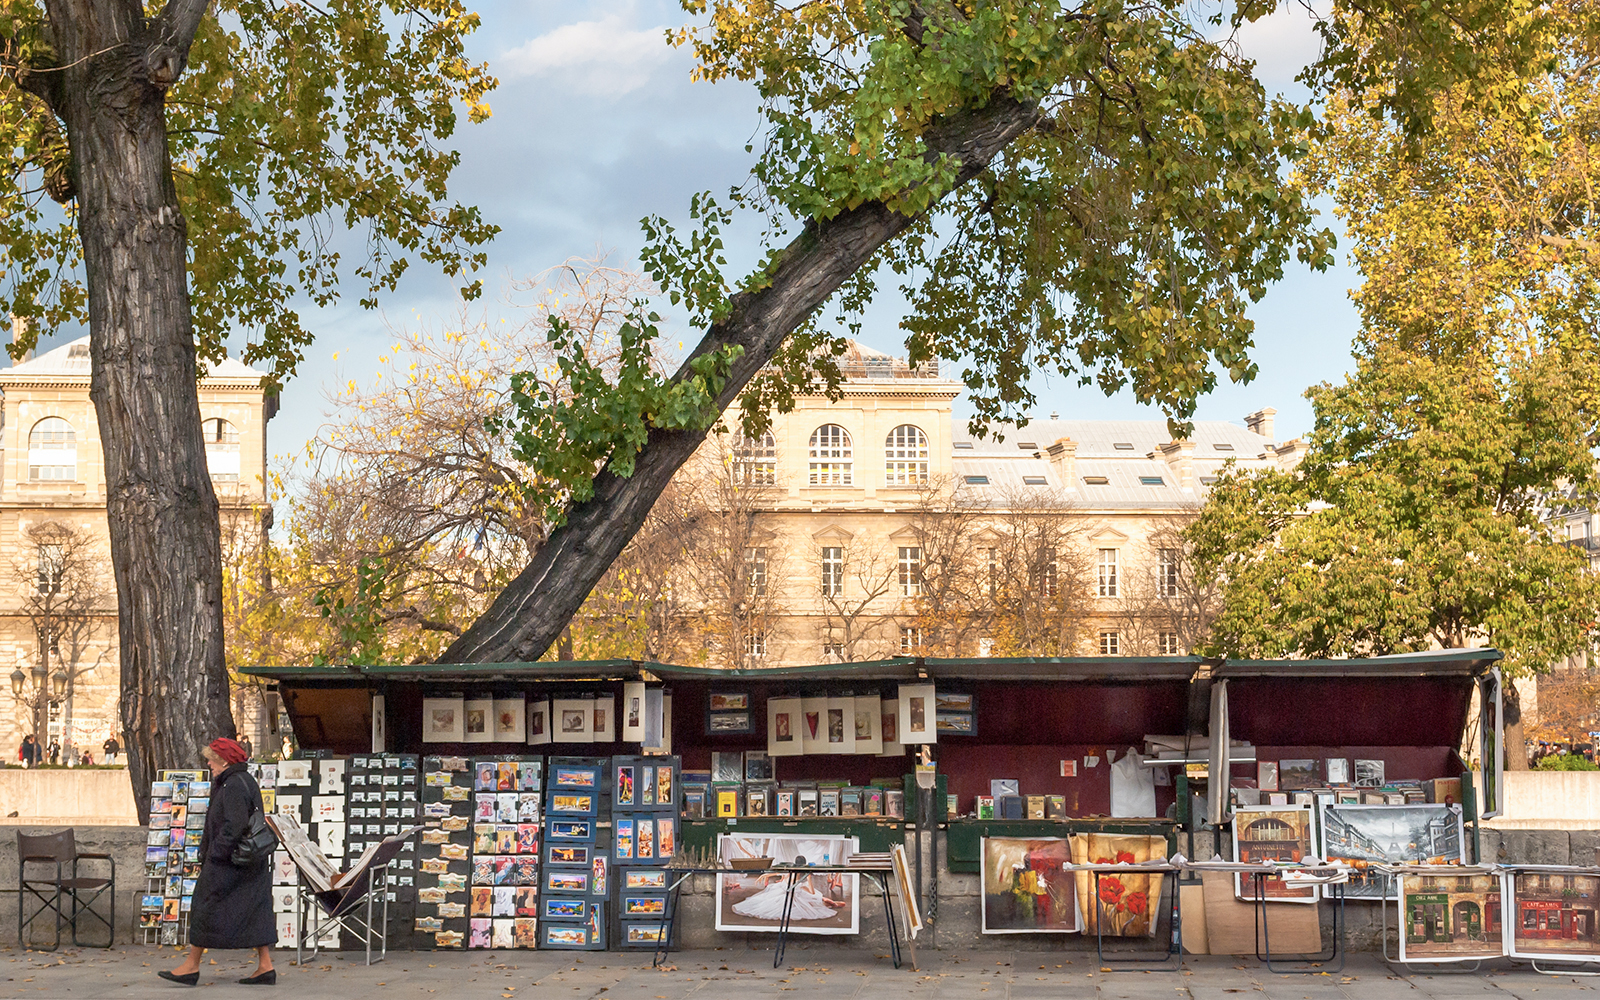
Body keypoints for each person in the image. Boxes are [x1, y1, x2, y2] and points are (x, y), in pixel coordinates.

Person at [159, 738, 276, 987]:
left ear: (224, 760)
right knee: (255, 910)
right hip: (248, 862)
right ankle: (265, 966)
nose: (209, 763)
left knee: (204, 905)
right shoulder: (245, 780)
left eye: (212, 758)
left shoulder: (232, 784)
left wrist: (215, 854)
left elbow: (234, 825)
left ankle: (191, 965)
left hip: (229, 862)